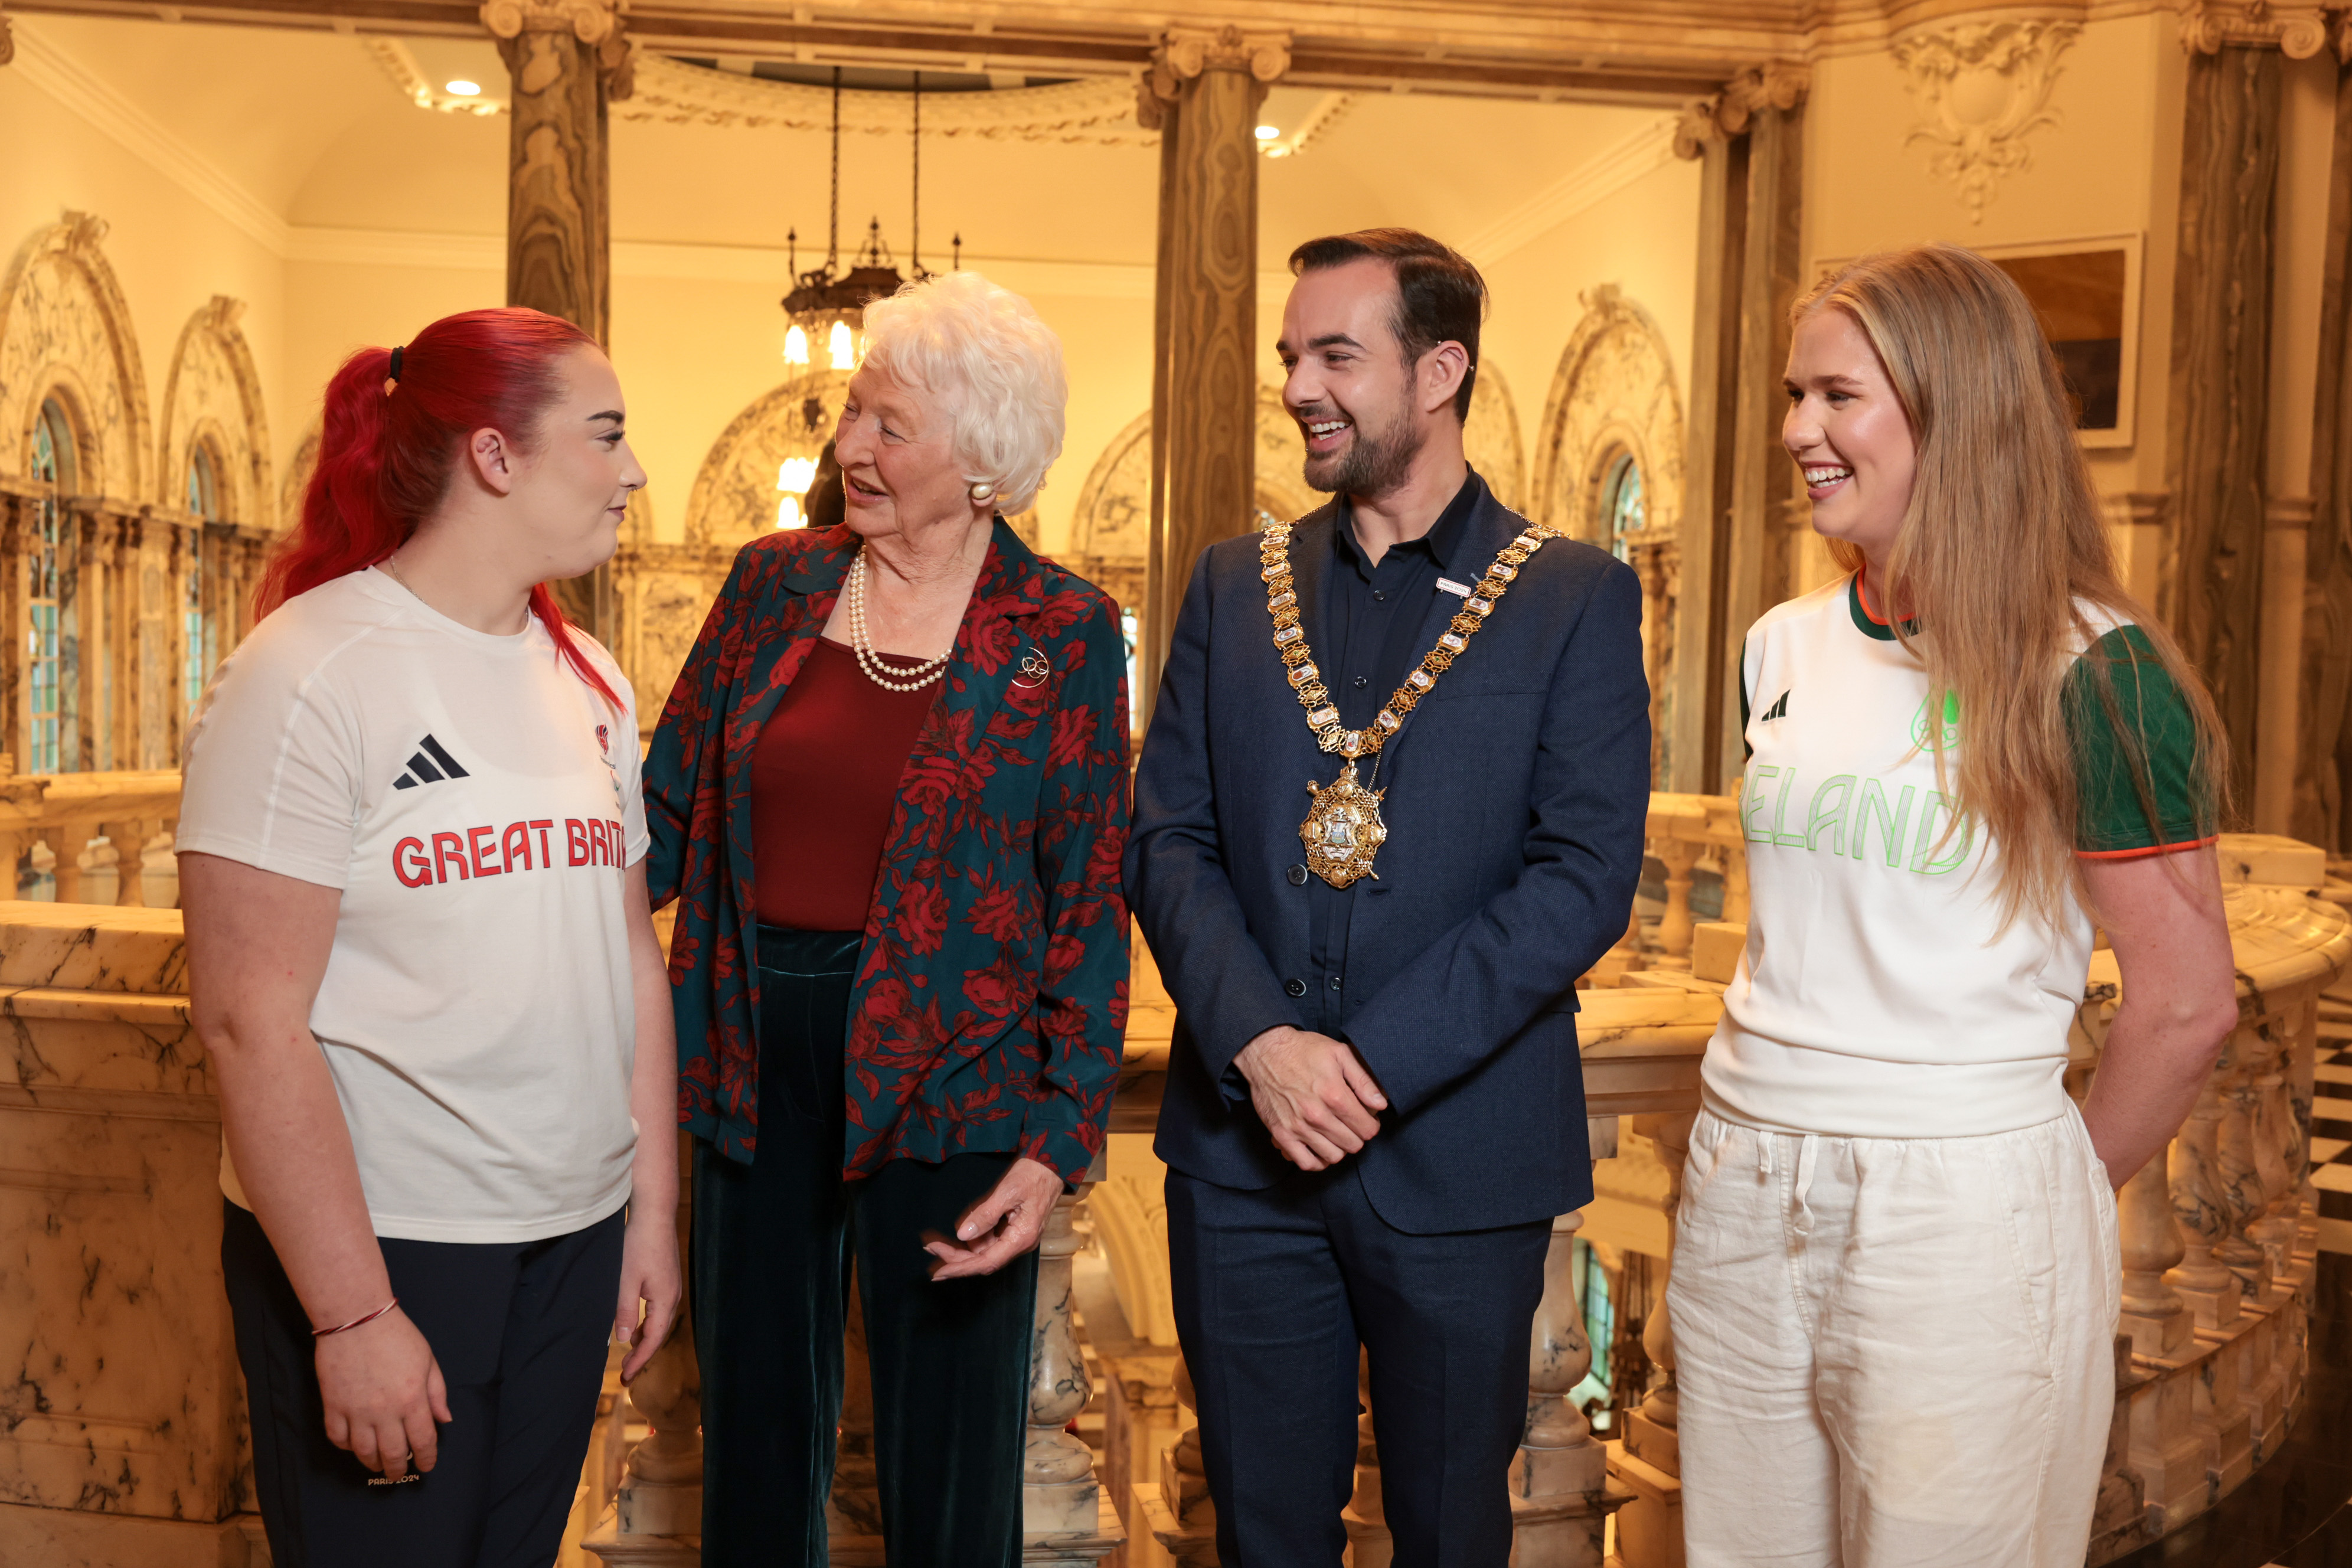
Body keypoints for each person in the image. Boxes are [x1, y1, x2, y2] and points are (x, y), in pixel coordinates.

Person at [1668, 243, 2239, 1567]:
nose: (1801, 431)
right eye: (1795, 395)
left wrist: (2031, 1188)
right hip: (1745, 1175)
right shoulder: (1782, 643)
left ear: (1956, 408)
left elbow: (2189, 1002)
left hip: (1964, 1197)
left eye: (1838, 396)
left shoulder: (2095, 672)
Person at [1126, 227, 1652, 1565]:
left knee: (1454, 1532)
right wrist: (1263, 1044)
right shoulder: (1229, 589)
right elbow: (1167, 837)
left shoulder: (1576, 597)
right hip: (1243, 1157)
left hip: (1463, 1157)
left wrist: (1360, 1064)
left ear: (1440, 371)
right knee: (1260, 1533)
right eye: (1292, 356)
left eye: (1336, 355)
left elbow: (1582, 878)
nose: (1300, 385)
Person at [176, 307, 682, 1568]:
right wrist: (351, 1312)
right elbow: (250, 1017)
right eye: (608, 436)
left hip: (570, 1239)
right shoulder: (308, 671)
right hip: (392, 1248)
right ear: (496, 457)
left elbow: (627, 957)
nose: (632, 473)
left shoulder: (593, 680)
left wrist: (650, 1213)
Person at [645, 270, 1132, 1568]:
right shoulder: (771, 585)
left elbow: (1087, 897)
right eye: (854, 412)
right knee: (753, 1445)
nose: (850, 446)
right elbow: (659, 808)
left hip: (956, 1077)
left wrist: (1058, 1137)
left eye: (891, 426)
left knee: (953, 1469)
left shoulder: (1064, 630)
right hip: (752, 1055)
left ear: (982, 464)